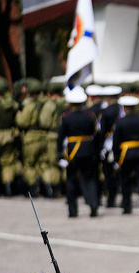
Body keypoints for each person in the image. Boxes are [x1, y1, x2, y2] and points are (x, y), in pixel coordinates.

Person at [57, 86, 100, 218]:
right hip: (88, 150)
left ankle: (73, 210)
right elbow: (95, 133)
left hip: (72, 151)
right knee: (89, 179)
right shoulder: (90, 116)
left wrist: (59, 153)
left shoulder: (66, 117)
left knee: (71, 180)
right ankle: (93, 203)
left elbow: (60, 137)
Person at [112, 95, 139, 214]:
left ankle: (127, 206)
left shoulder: (120, 122)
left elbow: (116, 141)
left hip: (125, 153)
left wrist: (116, 156)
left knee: (125, 180)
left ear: (124, 108)